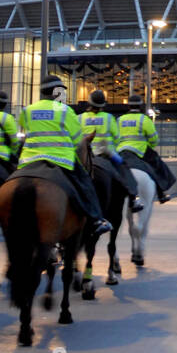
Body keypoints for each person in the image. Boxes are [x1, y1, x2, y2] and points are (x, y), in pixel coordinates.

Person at [17, 77, 112, 238]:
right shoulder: (66, 111)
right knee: (86, 182)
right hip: (60, 160)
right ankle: (97, 219)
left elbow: (24, 133)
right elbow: (78, 141)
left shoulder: (27, 110)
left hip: (28, 160)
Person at [79, 90, 144, 212]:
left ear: (89, 103)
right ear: (103, 105)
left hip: (85, 156)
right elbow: (117, 138)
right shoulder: (109, 118)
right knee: (123, 167)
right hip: (106, 154)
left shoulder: (80, 118)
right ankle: (133, 197)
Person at [117, 94, 177, 203]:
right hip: (139, 151)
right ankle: (161, 193)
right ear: (140, 106)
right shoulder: (144, 119)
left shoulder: (119, 119)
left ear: (128, 106)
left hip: (121, 151)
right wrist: (149, 146)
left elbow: (115, 137)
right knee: (156, 165)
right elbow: (154, 139)